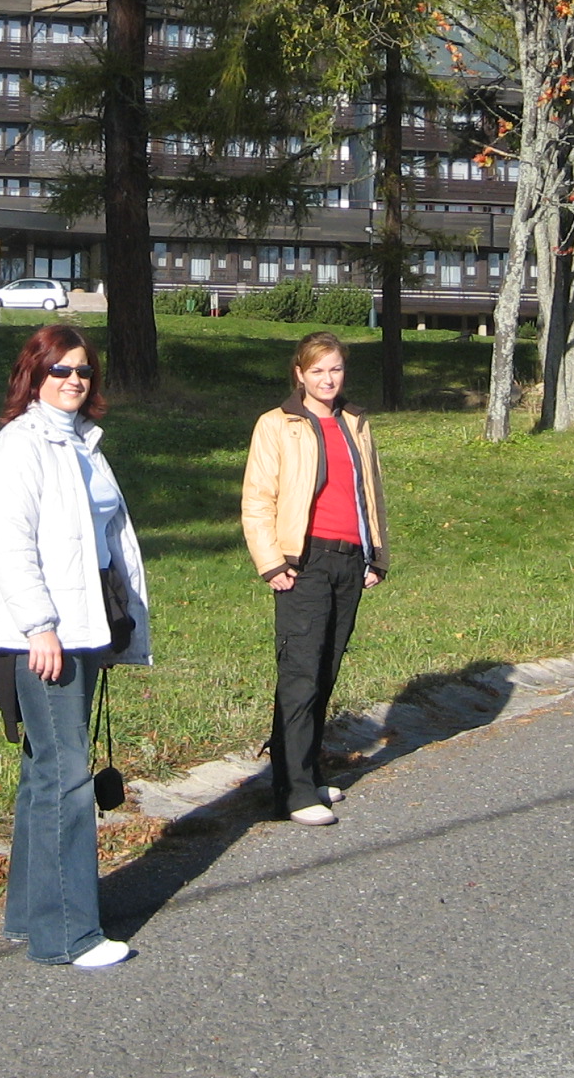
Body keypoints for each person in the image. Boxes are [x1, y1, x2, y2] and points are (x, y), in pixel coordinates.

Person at [0, 323, 150, 967]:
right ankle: (68, 935)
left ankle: (30, 914)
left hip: (86, 620)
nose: (74, 380)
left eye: (83, 370)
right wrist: (39, 625)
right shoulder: (20, 445)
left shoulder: (82, 442)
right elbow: (8, 541)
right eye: (60, 370)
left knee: (45, 770)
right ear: (33, 376)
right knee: (67, 773)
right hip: (44, 633)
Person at [239, 330, 388, 826]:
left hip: (350, 561)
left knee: (325, 670)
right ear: (299, 374)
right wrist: (271, 563)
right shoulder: (276, 425)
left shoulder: (355, 422)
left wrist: (376, 556)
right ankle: (293, 790)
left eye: (335, 369)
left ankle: (306, 772)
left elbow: (370, 493)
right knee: (301, 675)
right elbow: (258, 499)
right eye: (318, 370)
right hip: (303, 563)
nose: (328, 379)